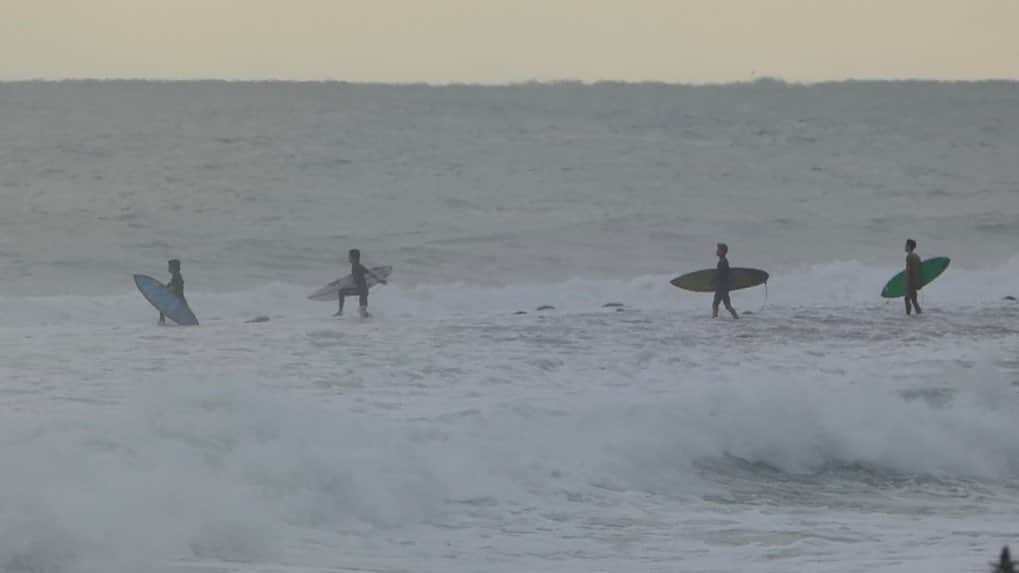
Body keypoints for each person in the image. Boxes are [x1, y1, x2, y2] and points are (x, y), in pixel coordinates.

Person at [336, 249, 387, 318]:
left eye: (349, 257)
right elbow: (368, 274)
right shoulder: (356, 266)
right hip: (362, 290)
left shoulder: (357, 266)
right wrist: (380, 280)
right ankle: (371, 321)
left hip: (361, 290)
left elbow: (370, 273)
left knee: (341, 292)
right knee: (363, 312)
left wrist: (380, 280)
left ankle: (340, 312)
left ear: (354, 258)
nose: (348, 258)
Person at [713, 243, 739, 319]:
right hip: (723, 286)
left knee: (723, 305)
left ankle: (736, 317)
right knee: (718, 304)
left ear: (722, 251)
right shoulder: (723, 261)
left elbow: (722, 274)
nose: (716, 251)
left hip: (721, 286)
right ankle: (715, 318)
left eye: (718, 249)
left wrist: (714, 280)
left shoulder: (723, 262)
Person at [159, 258, 186, 325]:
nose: (168, 268)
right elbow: (170, 285)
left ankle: (162, 321)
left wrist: (171, 288)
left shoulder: (178, 276)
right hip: (176, 298)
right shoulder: (175, 276)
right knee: (162, 306)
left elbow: (178, 285)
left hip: (178, 299)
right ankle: (162, 320)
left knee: (162, 305)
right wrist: (165, 287)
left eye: (170, 267)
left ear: (174, 268)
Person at [904, 239, 923, 315]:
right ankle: (920, 314)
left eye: (906, 245)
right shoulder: (917, 256)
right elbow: (920, 271)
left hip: (911, 283)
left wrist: (906, 284)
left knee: (907, 299)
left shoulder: (909, 256)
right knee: (914, 300)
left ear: (908, 246)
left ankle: (908, 315)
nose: (904, 247)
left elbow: (908, 272)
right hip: (916, 282)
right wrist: (919, 283)